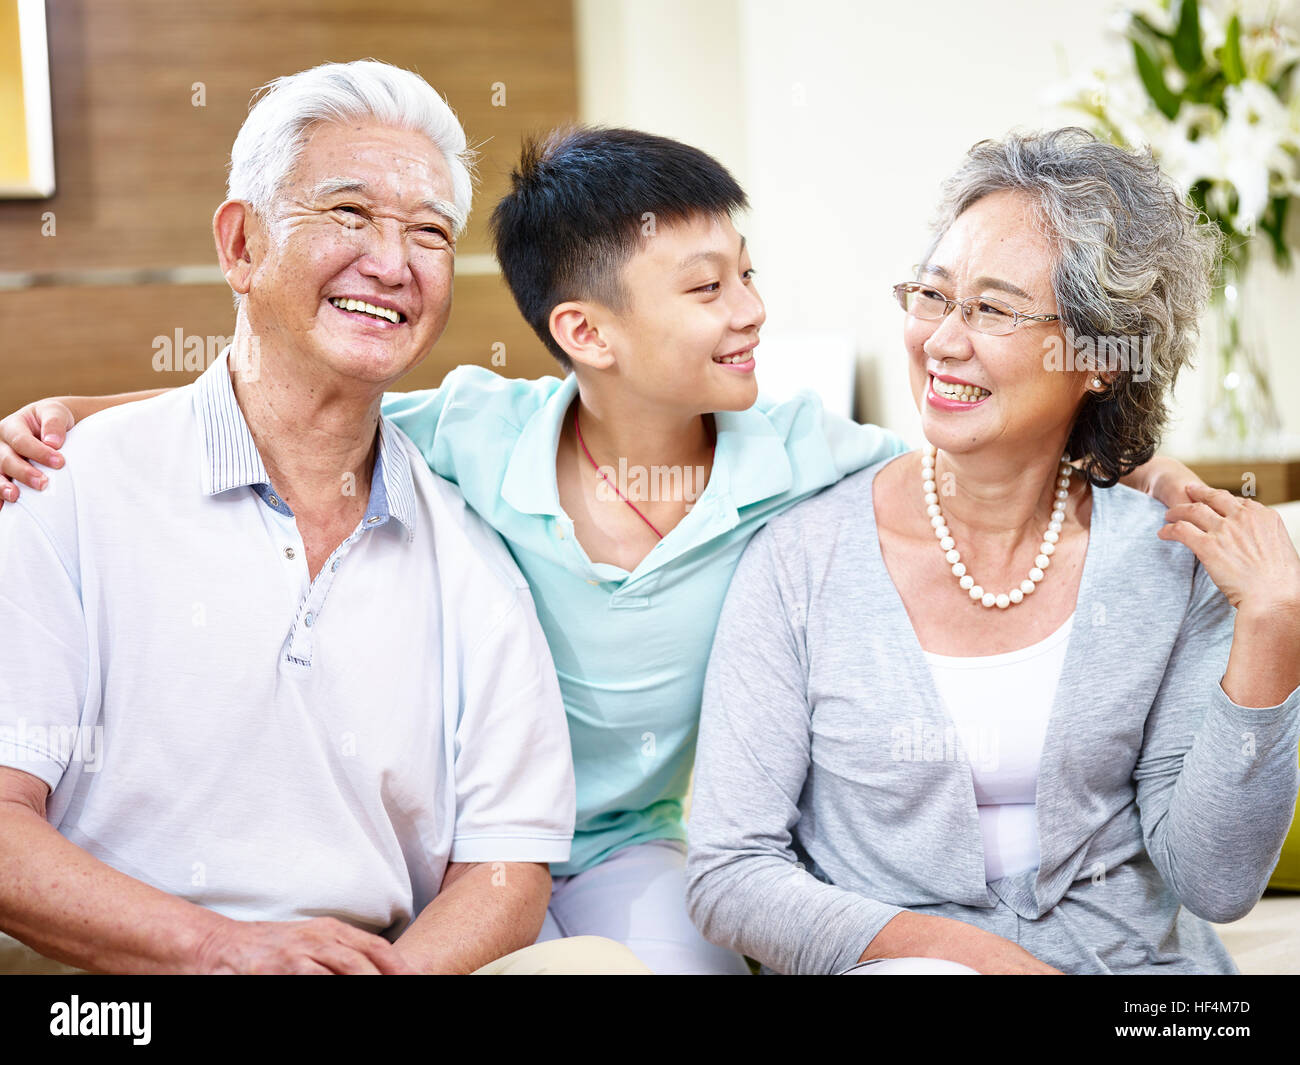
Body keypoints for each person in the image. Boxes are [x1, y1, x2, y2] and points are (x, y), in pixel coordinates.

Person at [0, 122, 1206, 974]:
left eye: (748, 273)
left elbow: (975, 437)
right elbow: (284, 403)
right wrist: (68, 414)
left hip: (636, 850)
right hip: (461, 858)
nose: (751, 312)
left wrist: (1138, 466)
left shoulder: (801, 456)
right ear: (585, 331)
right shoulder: (472, 430)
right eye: (704, 289)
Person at [0, 60, 652, 976]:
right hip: (115, 970)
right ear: (241, 246)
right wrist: (221, 949)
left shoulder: (470, 550)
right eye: (349, 214)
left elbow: (508, 867)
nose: (390, 262)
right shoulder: (63, 491)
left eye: (428, 232)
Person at [684, 128, 1300, 975]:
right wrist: (967, 957)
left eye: (995, 308)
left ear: (1098, 356)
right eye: (933, 295)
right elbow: (728, 872)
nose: (942, 339)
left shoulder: (1166, 559)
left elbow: (1218, 880)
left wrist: (1272, 626)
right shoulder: (800, 560)